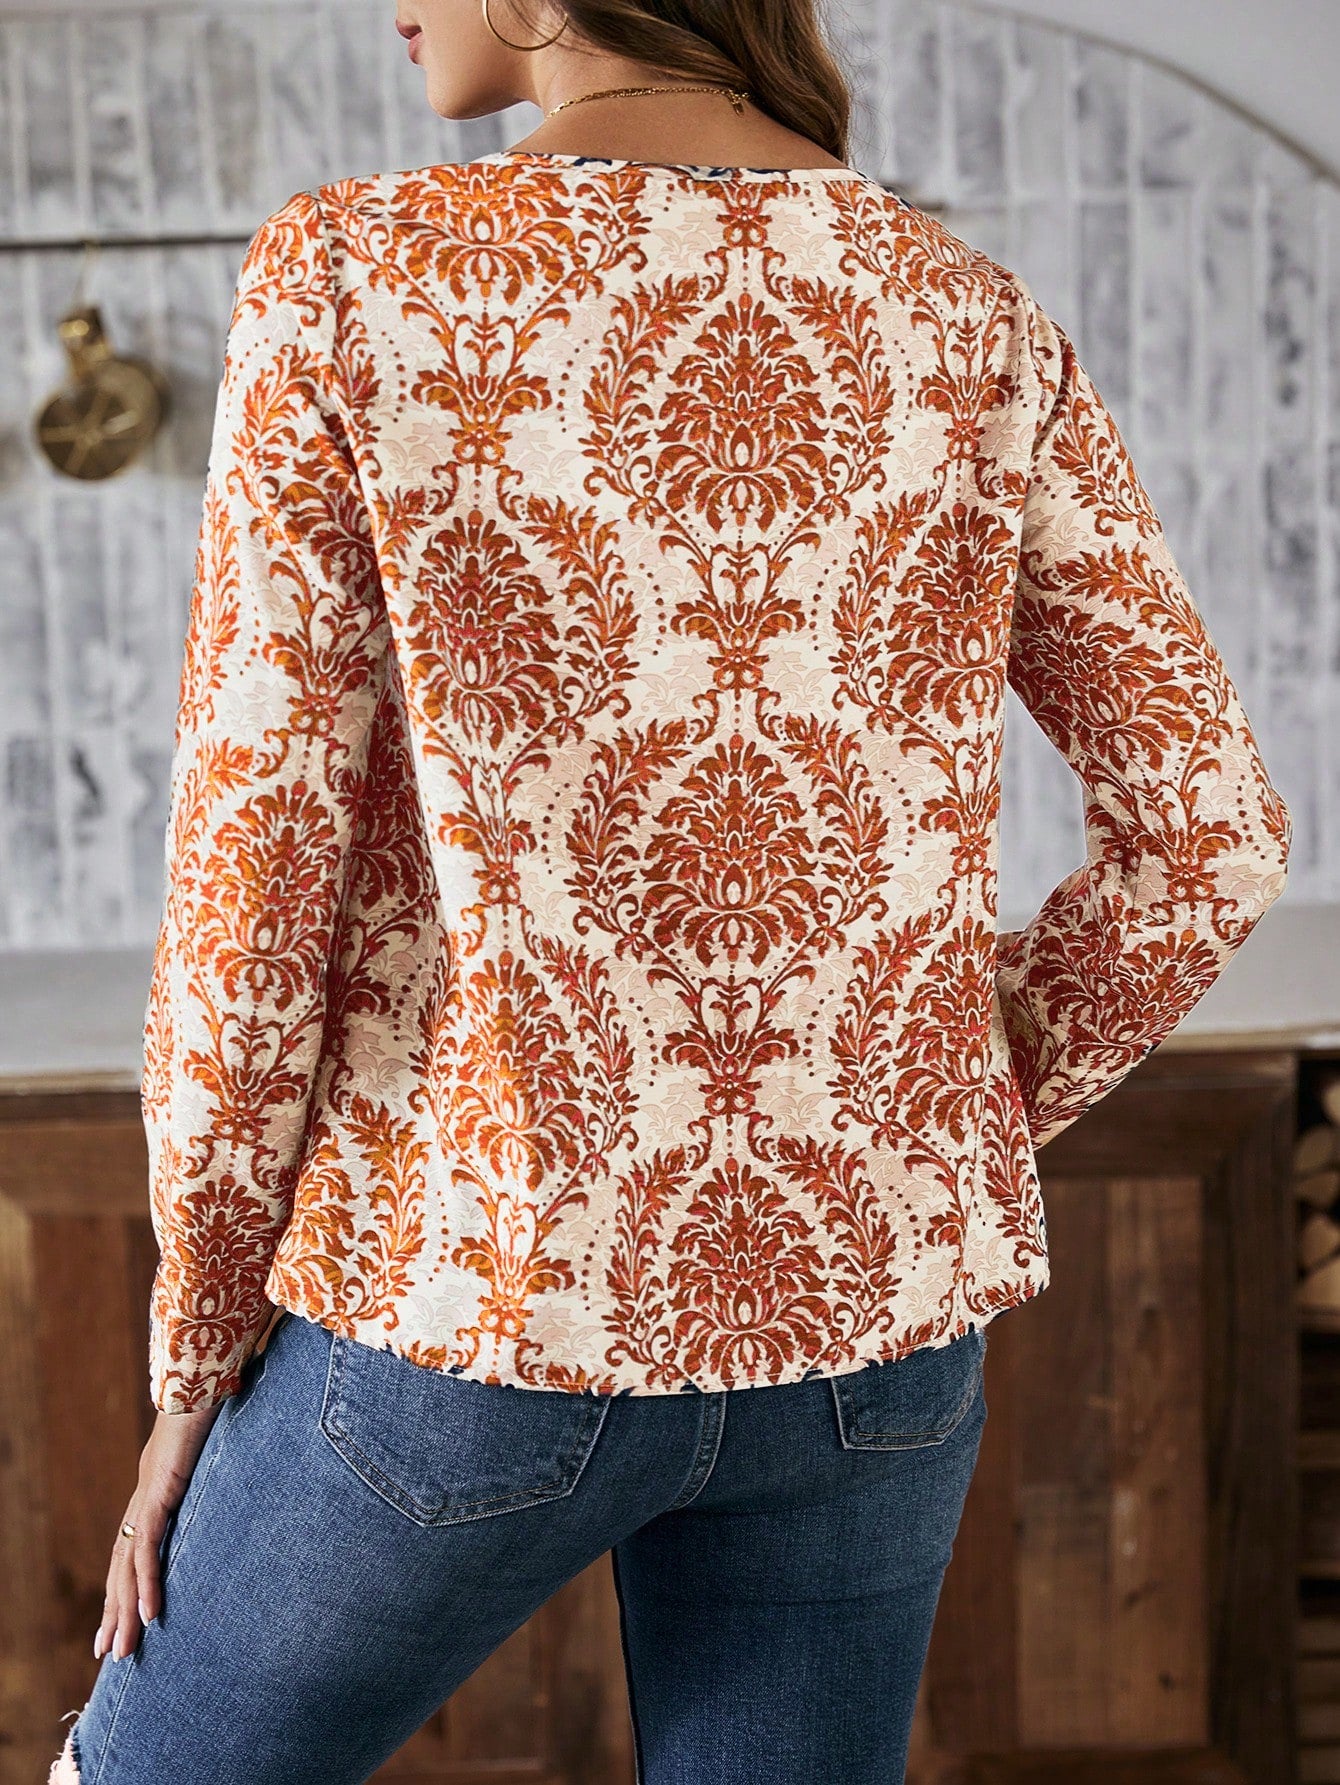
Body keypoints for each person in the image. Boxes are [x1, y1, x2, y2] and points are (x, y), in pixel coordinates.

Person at [49, 1, 1292, 1780]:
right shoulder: (971, 318)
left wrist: (194, 1365)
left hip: (474, 1292)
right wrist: (929, 1124)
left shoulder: (349, 276)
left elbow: (254, 884)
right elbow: (1212, 832)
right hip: (874, 1327)